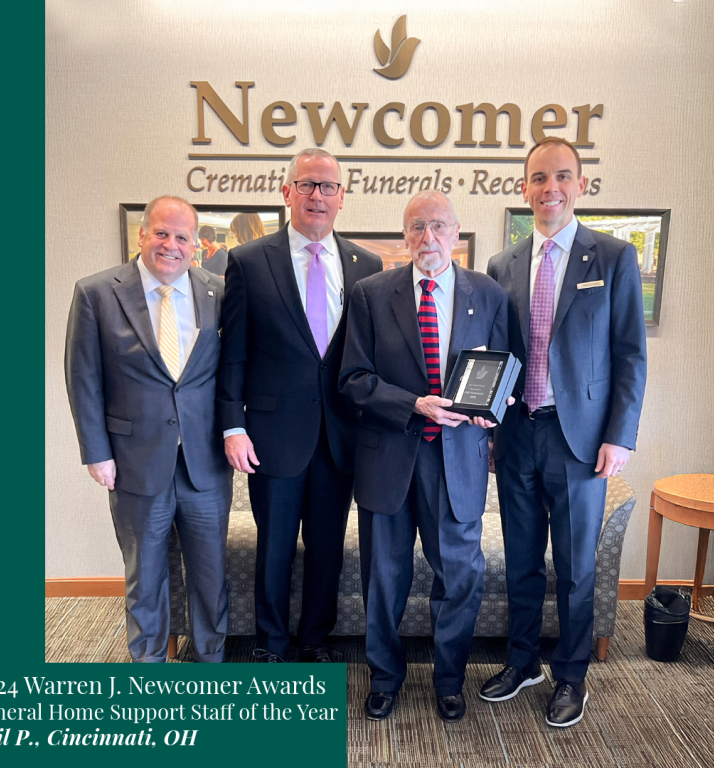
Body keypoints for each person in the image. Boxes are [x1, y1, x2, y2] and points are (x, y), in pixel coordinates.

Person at [483, 138, 647, 726]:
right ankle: (523, 661)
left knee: (576, 568)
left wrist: (620, 435)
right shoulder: (502, 265)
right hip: (518, 434)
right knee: (522, 561)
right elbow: (495, 356)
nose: (549, 188)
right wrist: (489, 428)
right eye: (538, 178)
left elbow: (630, 354)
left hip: (580, 441)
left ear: (580, 185)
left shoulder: (613, 257)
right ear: (523, 188)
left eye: (561, 177)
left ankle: (571, 676)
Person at [339, 190, 510, 722]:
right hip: (389, 457)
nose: (427, 237)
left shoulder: (489, 293)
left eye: (438, 226)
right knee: (383, 579)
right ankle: (384, 678)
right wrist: (413, 404)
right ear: (405, 234)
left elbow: (503, 369)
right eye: (417, 227)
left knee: (460, 577)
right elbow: (353, 379)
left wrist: (494, 409)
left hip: (457, 462)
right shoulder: (371, 293)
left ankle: (449, 681)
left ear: (455, 232)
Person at [218, 148, 381, 663]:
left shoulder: (366, 265)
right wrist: (232, 425)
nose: (317, 195)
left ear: (342, 197)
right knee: (275, 546)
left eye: (328, 186)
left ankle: (315, 639)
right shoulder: (249, 261)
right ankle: (270, 643)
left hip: (340, 435)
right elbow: (233, 353)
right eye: (307, 184)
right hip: (273, 434)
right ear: (287, 192)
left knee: (327, 547)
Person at [65, 196, 232, 663]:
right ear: (142, 234)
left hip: (204, 463)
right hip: (134, 462)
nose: (170, 245)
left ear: (196, 245)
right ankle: (149, 670)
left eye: (182, 237)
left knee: (210, 576)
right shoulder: (97, 292)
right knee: (146, 576)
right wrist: (96, 452)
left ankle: (212, 662)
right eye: (161, 233)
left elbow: (230, 372)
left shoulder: (218, 291)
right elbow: (83, 378)